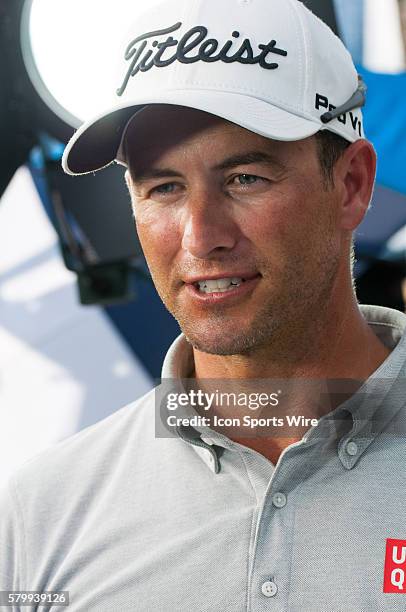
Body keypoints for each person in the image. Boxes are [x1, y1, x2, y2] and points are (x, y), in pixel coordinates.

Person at [1, 0, 406, 610]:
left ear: (351, 185)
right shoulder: (42, 512)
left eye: (245, 178)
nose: (200, 235)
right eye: (164, 187)